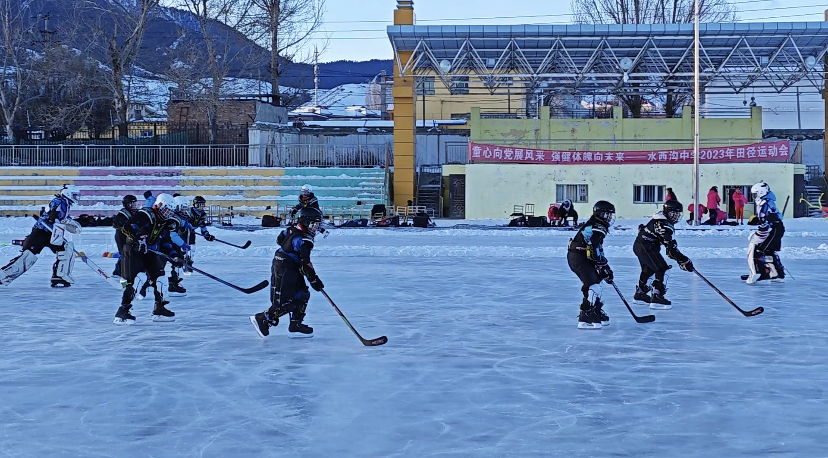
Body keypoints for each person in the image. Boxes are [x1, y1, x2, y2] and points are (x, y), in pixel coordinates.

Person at [250, 207, 324, 338]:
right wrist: (314, 280)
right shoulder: (305, 241)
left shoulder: (292, 228)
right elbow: (305, 263)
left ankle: (295, 324)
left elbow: (280, 239)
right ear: (306, 222)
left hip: (288, 265)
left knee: (302, 294)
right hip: (284, 267)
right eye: (314, 224)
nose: (316, 228)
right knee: (286, 302)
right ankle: (263, 318)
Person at [113, 193, 180, 324]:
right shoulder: (146, 215)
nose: (168, 214)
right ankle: (123, 310)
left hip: (150, 252)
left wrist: (174, 255)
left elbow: (166, 241)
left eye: (170, 211)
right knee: (136, 280)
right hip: (133, 251)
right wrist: (138, 237)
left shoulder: (165, 222)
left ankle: (159, 308)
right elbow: (127, 227)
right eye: (166, 210)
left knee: (160, 279)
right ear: (159, 205)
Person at [1, 185, 80, 288]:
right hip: (40, 232)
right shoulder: (59, 201)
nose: (76, 197)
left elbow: (59, 218)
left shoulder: (66, 204)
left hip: (52, 233)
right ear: (68, 193)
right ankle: (3, 276)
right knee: (28, 257)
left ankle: (60, 276)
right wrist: (54, 219)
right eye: (74, 195)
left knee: (66, 250)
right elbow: (52, 216)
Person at [632, 200, 694, 309]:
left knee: (649, 270)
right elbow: (670, 250)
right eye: (673, 214)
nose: (675, 217)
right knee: (662, 269)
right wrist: (684, 260)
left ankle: (640, 294)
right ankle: (657, 296)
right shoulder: (664, 225)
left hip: (640, 245)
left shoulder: (660, 219)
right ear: (667, 212)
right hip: (646, 247)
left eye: (677, 214)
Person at [566, 200, 615, 330]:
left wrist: (605, 266)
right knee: (594, 284)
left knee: (596, 283)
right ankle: (586, 314)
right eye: (607, 214)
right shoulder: (598, 226)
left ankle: (595, 309)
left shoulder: (597, 224)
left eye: (611, 215)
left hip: (581, 256)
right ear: (601, 214)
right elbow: (593, 248)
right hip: (578, 257)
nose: (610, 218)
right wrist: (602, 265)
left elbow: (597, 248)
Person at [746, 181, 785, 285]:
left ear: (761, 192)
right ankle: (776, 274)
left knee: (760, 250)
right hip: (774, 229)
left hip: (775, 229)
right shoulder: (764, 202)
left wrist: (767, 222)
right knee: (768, 250)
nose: (755, 196)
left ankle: (762, 273)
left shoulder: (766, 203)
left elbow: (773, 217)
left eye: (756, 194)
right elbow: (765, 218)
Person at [112, 195, 140, 278]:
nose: (135, 205)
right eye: (133, 204)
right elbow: (116, 223)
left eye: (135, 203)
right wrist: (127, 224)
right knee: (124, 254)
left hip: (132, 237)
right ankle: (118, 272)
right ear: (127, 204)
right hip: (122, 237)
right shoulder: (122, 214)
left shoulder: (137, 213)